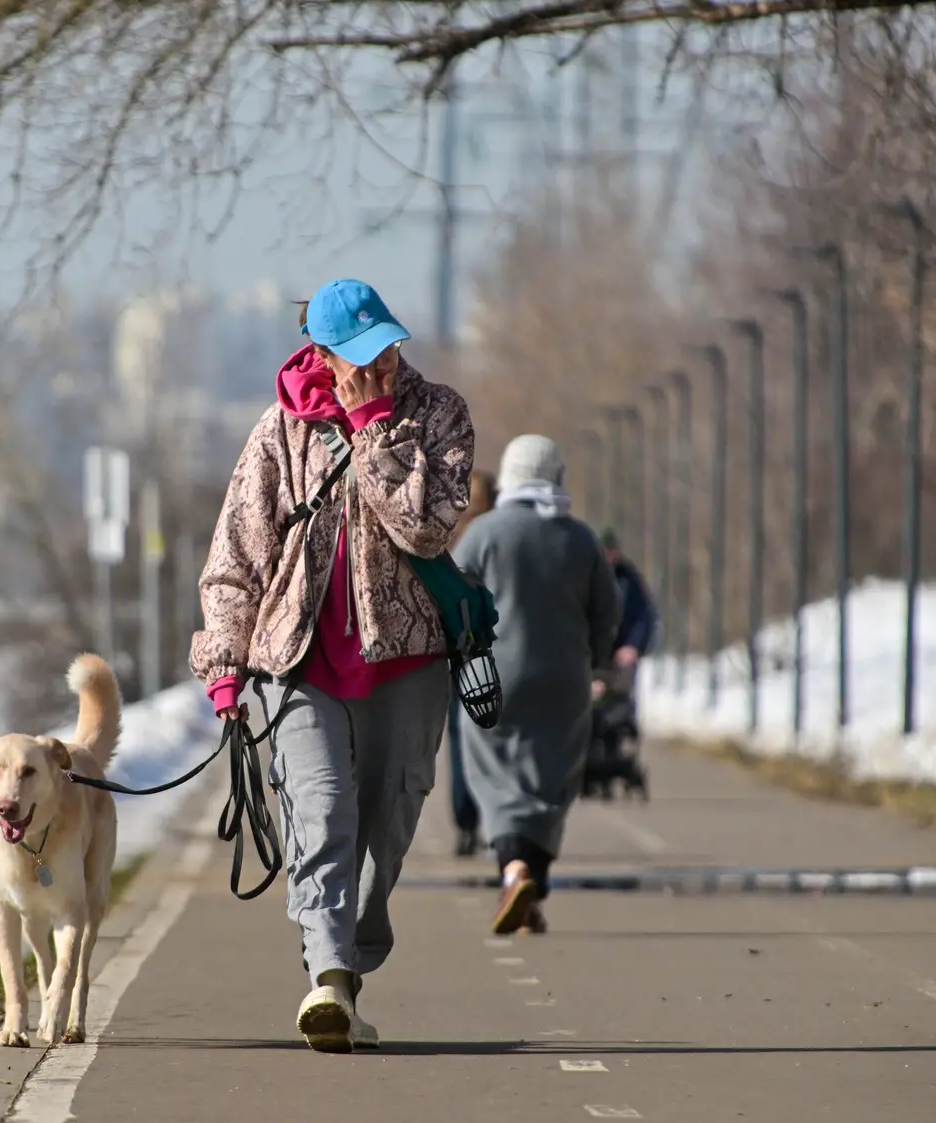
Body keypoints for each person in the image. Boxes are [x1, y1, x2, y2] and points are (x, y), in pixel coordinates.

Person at [192, 278, 475, 1052]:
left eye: (383, 345)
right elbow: (235, 554)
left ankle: (353, 954)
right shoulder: (278, 430)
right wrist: (224, 658)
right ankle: (327, 981)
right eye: (354, 354)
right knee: (319, 817)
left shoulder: (437, 414)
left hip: (408, 658)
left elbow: (427, 529)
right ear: (316, 351)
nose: (376, 361)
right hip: (300, 662)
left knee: (387, 823)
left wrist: (373, 429)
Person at [453, 435, 618, 936]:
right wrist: (599, 663)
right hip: (564, 679)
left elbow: (452, 595)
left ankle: (514, 870)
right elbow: (607, 613)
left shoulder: (484, 533)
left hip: (495, 678)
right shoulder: (582, 539)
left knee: (494, 774)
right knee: (551, 779)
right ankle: (531, 886)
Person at [448, 469, 498, 858]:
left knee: (460, 739)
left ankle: (466, 823)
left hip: (455, 650)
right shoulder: (498, 533)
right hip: (494, 650)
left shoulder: (448, 532)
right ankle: (496, 818)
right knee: (498, 738)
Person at [599, 528, 658, 694]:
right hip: (589, 653)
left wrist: (632, 645)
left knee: (620, 696)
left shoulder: (628, 579)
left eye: (611, 551)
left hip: (619, 652)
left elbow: (643, 616)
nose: (608, 556)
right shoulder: (583, 577)